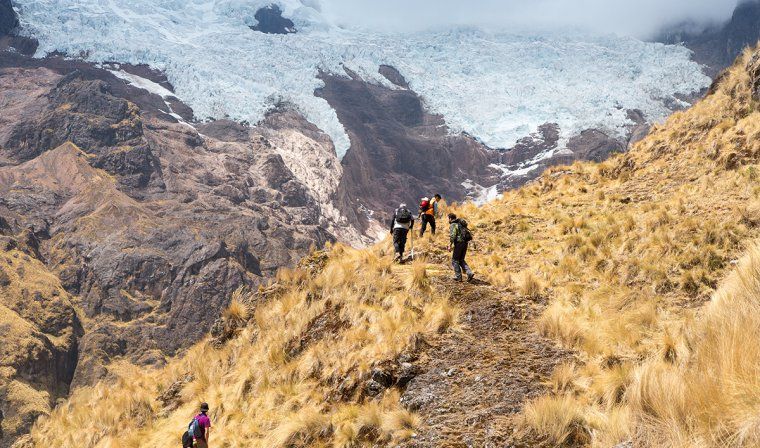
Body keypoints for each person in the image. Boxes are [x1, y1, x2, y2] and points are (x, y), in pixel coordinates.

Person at [448, 213, 474, 282]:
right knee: (461, 260)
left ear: (450, 218)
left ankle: (458, 277)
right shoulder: (460, 224)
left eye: (448, 218)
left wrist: (450, 245)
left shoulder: (453, 225)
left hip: (459, 243)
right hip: (465, 243)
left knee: (455, 261)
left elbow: (453, 235)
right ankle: (469, 273)